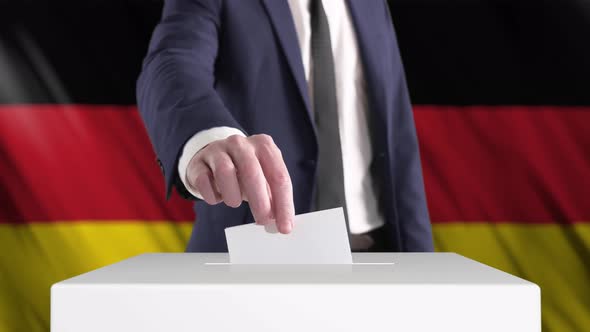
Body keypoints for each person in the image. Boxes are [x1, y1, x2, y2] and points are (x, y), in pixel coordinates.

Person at [137, 0, 433, 252]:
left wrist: (421, 258)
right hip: (258, 254)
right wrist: (206, 136)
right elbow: (173, 59)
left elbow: (396, 131)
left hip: (377, 250)